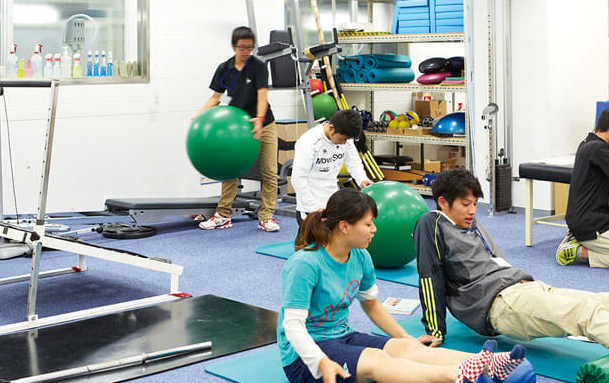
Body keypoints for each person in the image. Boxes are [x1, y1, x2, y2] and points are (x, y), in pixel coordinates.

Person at [278, 188, 527, 383]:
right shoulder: (305, 264)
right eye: (368, 224)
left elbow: (372, 305)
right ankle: (456, 376)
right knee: (377, 358)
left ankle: (487, 363)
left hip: (343, 336)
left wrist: (407, 339)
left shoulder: (360, 257)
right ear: (344, 226)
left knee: (403, 347)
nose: (374, 230)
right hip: (304, 358)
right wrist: (320, 362)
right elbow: (292, 327)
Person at [415, 169, 609, 365]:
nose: (473, 210)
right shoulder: (431, 223)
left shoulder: (469, 223)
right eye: (465, 204)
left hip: (525, 287)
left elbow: (497, 260)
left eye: (475, 204)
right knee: (585, 314)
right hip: (500, 304)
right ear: (443, 202)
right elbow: (429, 275)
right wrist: (435, 329)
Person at [195, 26, 280, 232]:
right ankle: (224, 215)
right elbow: (216, 98)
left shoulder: (259, 67)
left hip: (264, 123)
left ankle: (266, 216)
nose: (246, 51)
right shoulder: (225, 69)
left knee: (269, 171)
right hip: (236, 128)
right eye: (242, 47)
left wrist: (259, 119)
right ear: (234, 46)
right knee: (230, 169)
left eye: (249, 48)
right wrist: (199, 117)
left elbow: (262, 96)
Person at [557, 108, 609, 269]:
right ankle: (581, 252)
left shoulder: (588, 143)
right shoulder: (598, 149)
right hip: (592, 224)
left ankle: (577, 240)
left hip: (581, 219)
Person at [291, 109, 373, 230]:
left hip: (332, 203)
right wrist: (314, 209)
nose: (344, 143)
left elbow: (354, 162)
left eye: (347, 139)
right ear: (331, 128)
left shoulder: (346, 138)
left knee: (335, 245)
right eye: (342, 139)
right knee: (311, 247)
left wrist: (362, 179)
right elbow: (298, 180)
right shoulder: (309, 142)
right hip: (310, 207)